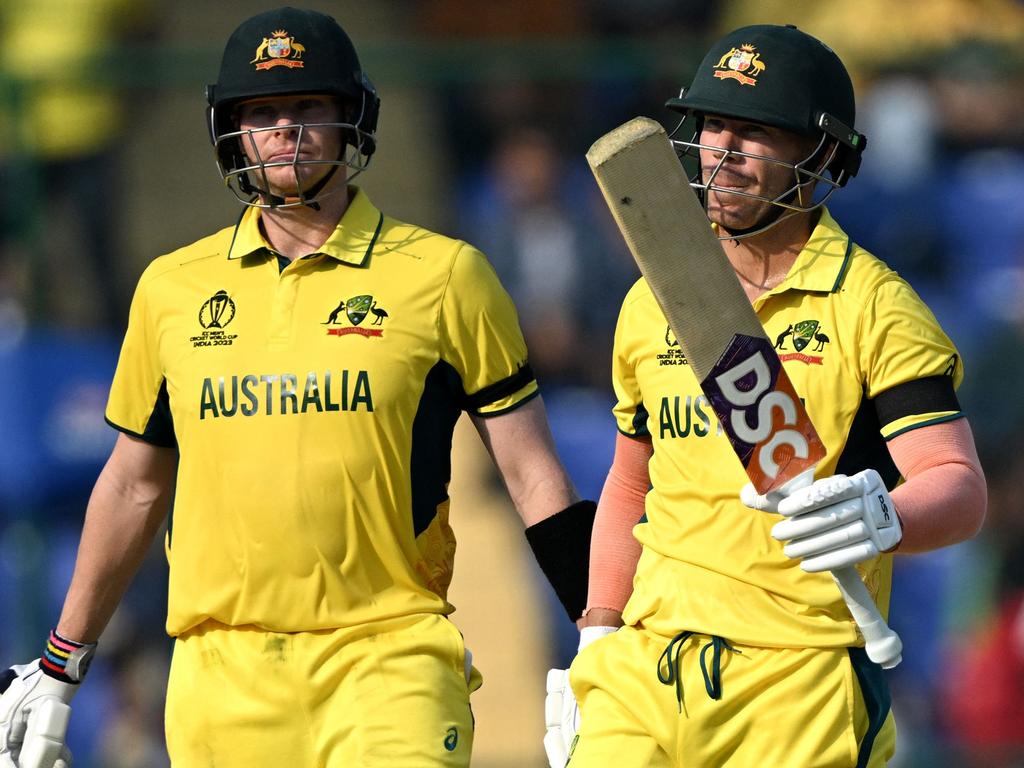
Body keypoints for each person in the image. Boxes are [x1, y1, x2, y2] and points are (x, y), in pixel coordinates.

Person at [0, 8, 597, 768]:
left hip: (388, 662)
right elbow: (132, 487)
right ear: (231, 130)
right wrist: (60, 663)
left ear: (352, 120)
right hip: (221, 681)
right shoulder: (171, 290)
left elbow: (532, 473)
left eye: (310, 107)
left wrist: (599, 626)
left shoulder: (445, 277)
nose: (287, 130)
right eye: (263, 113)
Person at [544, 24, 987, 768]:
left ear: (819, 153)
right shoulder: (650, 300)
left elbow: (959, 489)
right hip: (645, 670)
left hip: (801, 674)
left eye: (756, 132)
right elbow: (631, 484)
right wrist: (597, 634)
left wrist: (881, 515)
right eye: (715, 125)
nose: (725, 150)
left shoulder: (874, 306)